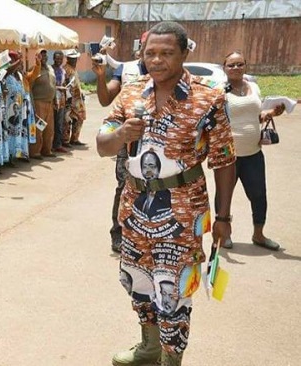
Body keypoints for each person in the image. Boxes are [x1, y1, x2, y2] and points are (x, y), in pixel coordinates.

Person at [96, 22, 236, 366]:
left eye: (166, 53)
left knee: (173, 291)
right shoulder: (130, 93)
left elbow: (224, 161)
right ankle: (149, 347)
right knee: (137, 281)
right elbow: (102, 144)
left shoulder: (209, 98)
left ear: (185, 53)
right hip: (134, 208)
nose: (156, 60)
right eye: (150, 53)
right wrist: (120, 135)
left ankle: (172, 359)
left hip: (182, 211)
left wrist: (223, 217)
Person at [219, 51, 285, 250]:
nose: (236, 68)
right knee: (224, 196)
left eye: (240, 64)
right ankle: (225, 234)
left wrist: (272, 113)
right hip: (227, 154)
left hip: (253, 153)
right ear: (225, 68)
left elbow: (254, 115)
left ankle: (259, 234)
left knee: (258, 194)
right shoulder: (219, 90)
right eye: (231, 65)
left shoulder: (253, 87)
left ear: (246, 66)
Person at [93, 33, 149, 254]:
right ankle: (119, 233)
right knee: (125, 186)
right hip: (130, 141)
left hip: (163, 141)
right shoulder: (126, 69)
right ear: (140, 49)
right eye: (147, 48)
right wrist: (100, 76)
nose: (152, 55)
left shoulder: (171, 76)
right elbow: (106, 99)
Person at [29, 49, 56, 159]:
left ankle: (47, 150)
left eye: (45, 56)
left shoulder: (50, 69)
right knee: (39, 128)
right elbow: (30, 87)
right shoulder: (34, 69)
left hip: (49, 103)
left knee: (49, 129)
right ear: (37, 57)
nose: (43, 57)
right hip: (38, 102)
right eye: (41, 55)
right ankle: (35, 152)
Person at [61, 49, 86, 147]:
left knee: (79, 118)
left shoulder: (73, 69)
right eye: (72, 58)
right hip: (69, 99)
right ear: (68, 59)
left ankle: (74, 138)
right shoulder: (65, 69)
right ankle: (66, 140)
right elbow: (66, 84)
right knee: (67, 120)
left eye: (75, 58)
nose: (74, 60)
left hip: (77, 99)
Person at [51, 50, 68, 154]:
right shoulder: (50, 70)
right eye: (57, 59)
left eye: (61, 59)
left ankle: (58, 144)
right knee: (52, 123)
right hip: (52, 99)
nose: (59, 61)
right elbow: (49, 85)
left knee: (59, 123)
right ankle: (50, 145)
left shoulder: (63, 71)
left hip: (61, 99)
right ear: (53, 59)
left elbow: (64, 82)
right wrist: (58, 87)